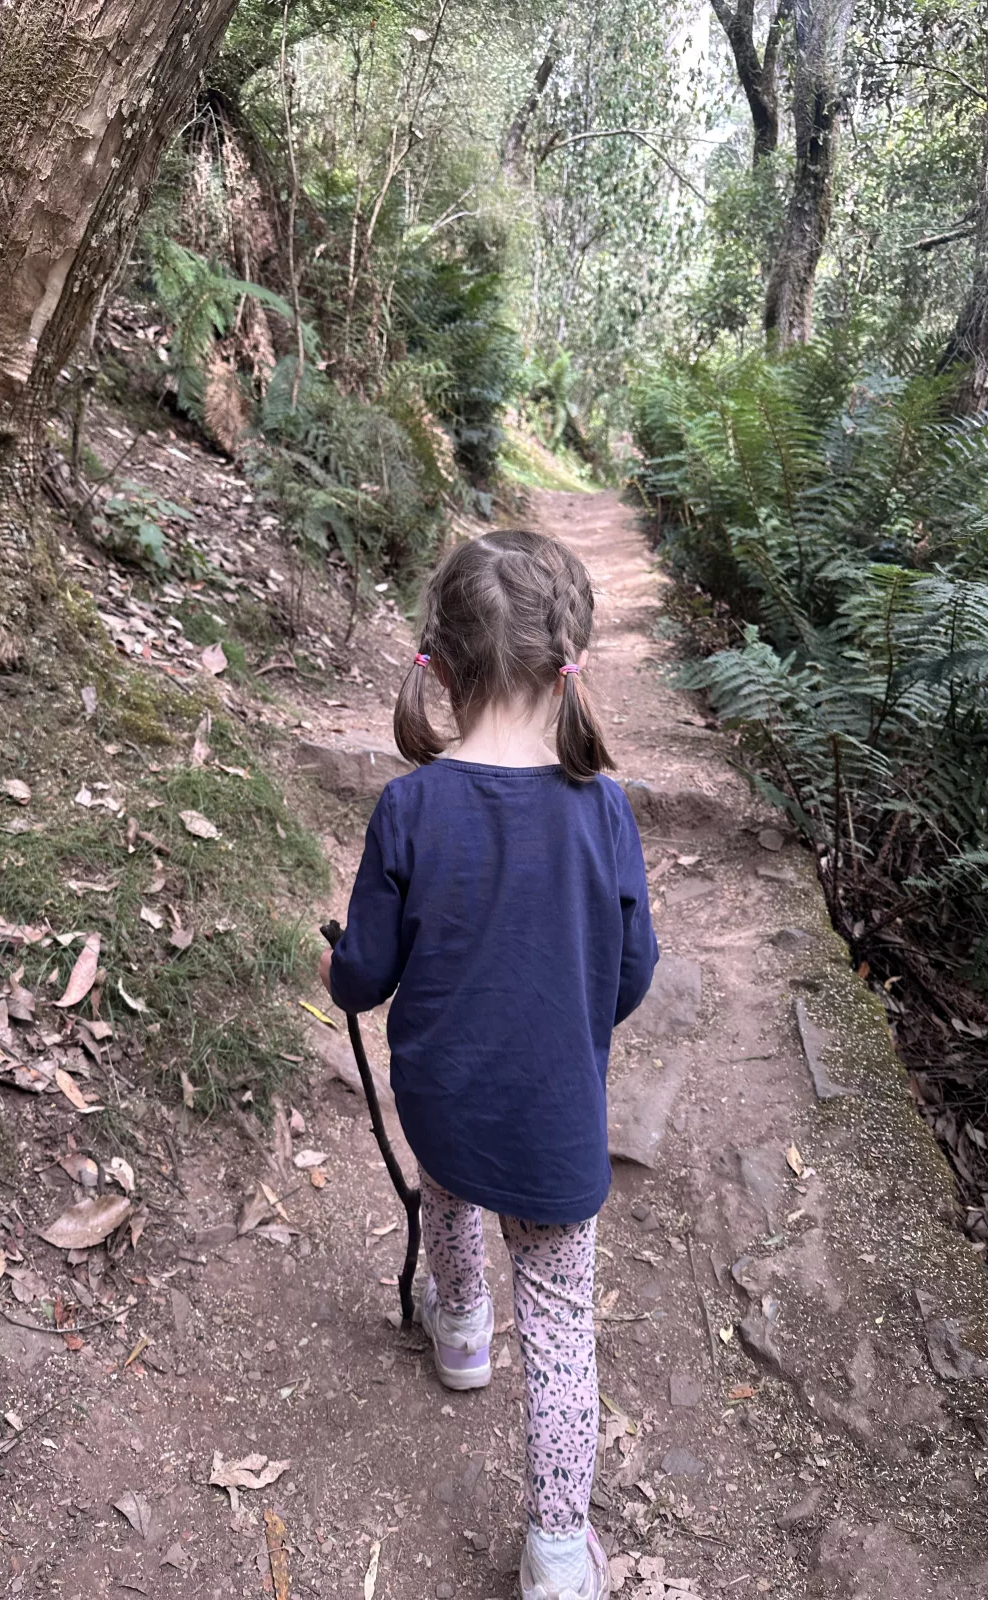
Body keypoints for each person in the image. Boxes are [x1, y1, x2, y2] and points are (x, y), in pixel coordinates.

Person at [319, 529, 657, 1600]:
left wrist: (337, 968)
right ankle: (558, 1546)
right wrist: (570, 1022)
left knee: (453, 1196)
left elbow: (366, 976)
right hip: (556, 1125)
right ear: (570, 662)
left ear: (445, 668)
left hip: (445, 1106)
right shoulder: (603, 808)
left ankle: (460, 1330)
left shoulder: (411, 807)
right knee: (559, 1324)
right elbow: (633, 971)